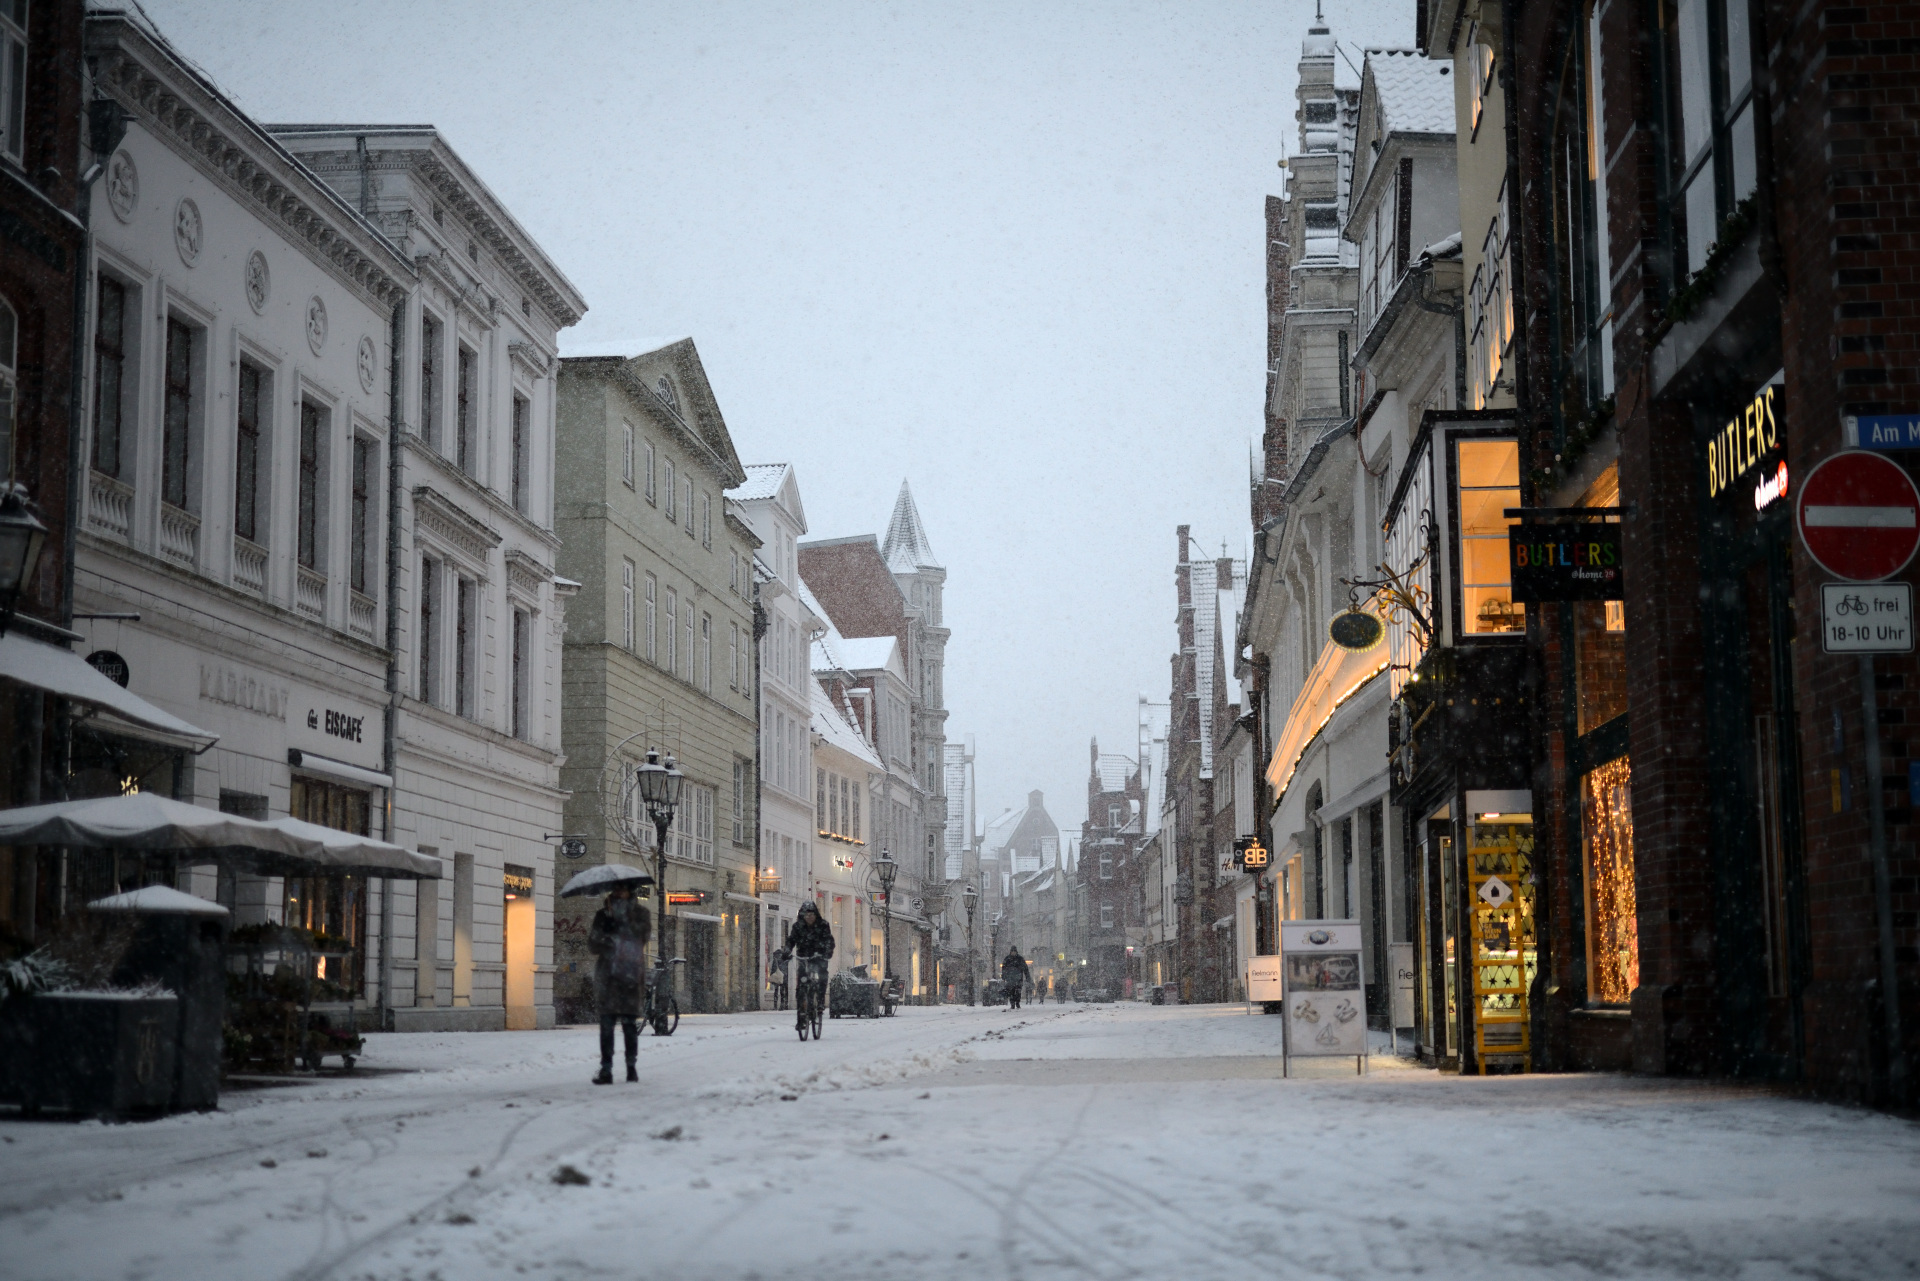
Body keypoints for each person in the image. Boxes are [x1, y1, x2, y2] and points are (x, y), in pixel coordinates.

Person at [587, 883, 650, 1084]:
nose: (619, 893)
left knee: (629, 1025)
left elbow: (643, 937)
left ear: (630, 892)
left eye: (623, 890)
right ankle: (606, 1069)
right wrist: (607, 933)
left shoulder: (641, 913)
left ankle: (631, 1066)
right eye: (616, 890)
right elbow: (592, 945)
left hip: (630, 975)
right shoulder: (603, 915)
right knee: (606, 1025)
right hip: (608, 976)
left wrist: (624, 922)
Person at [784, 901, 835, 1029]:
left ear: (816, 915)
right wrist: (787, 951)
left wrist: (826, 952)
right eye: (806, 915)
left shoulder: (823, 925)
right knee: (801, 985)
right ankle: (801, 1016)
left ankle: (820, 1002)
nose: (809, 917)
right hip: (803, 957)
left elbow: (829, 940)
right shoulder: (798, 927)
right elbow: (791, 940)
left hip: (819, 956)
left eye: (811, 914)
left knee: (822, 976)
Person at [767, 945, 791, 1011]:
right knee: (782, 992)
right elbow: (786, 967)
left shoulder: (776, 959)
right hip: (783, 976)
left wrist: (771, 975)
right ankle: (782, 1005)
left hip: (777, 977)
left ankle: (775, 1006)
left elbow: (773, 968)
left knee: (776, 991)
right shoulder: (784, 959)